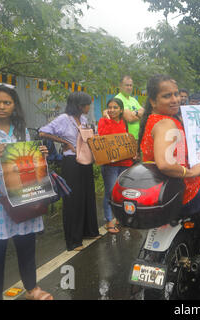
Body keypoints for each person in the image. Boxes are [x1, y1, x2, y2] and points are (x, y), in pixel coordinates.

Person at [137, 74, 200, 256]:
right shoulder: (166, 123)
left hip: (160, 191)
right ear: (153, 101)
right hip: (182, 191)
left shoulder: (153, 120)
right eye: (167, 96)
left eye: (176, 94)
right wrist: (191, 172)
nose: (175, 99)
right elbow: (164, 164)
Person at [0, 83, 53, 300]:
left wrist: (40, 153)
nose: (1, 106)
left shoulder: (22, 131)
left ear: (14, 105)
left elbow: (31, 163)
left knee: (26, 242)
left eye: (6, 102)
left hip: (24, 195)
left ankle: (32, 288)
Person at [39, 91, 100, 252]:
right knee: (74, 199)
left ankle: (89, 231)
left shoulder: (84, 119)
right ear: (79, 105)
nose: (89, 107)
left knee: (87, 196)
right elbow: (43, 131)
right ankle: (73, 240)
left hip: (85, 160)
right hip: (71, 162)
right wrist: (64, 142)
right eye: (87, 104)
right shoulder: (64, 119)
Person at [98, 98, 134, 234]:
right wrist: (107, 119)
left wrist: (132, 153)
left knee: (122, 192)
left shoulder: (124, 122)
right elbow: (103, 137)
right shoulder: (103, 121)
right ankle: (109, 220)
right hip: (110, 164)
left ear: (121, 110)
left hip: (125, 162)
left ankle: (119, 217)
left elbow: (126, 140)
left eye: (115, 107)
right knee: (110, 192)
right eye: (110, 107)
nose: (112, 110)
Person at [115, 75, 144, 140]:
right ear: (120, 86)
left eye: (131, 85)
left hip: (137, 137)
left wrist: (135, 113)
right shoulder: (118, 99)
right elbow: (129, 118)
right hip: (125, 138)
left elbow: (144, 113)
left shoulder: (133, 99)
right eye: (127, 85)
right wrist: (139, 114)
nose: (129, 87)